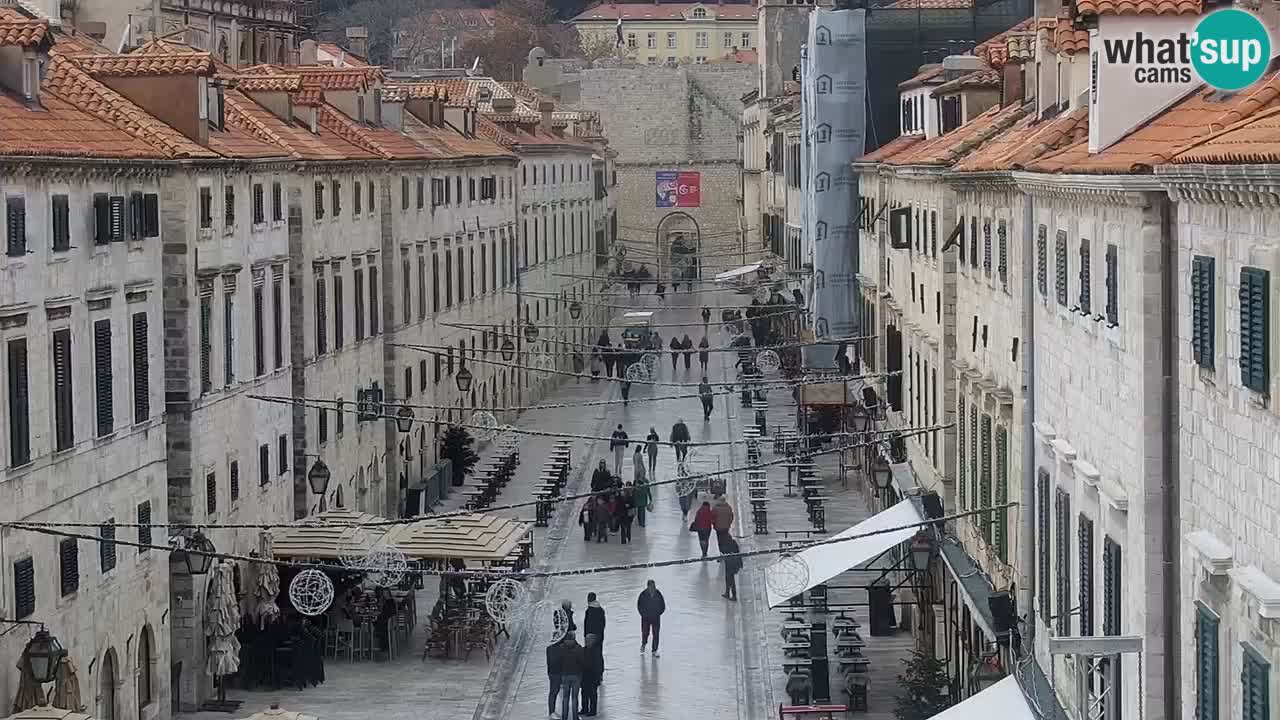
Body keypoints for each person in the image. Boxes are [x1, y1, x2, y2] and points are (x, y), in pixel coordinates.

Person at [558, 632, 585, 720]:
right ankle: (575, 717)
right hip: (576, 675)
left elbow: (559, 661)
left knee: (565, 697)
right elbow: (582, 661)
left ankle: (564, 716)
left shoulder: (561, 648)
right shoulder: (578, 648)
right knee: (574, 697)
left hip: (565, 675)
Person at [637, 579, 666, 657]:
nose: (653, 588)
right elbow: (639, 606)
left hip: (656, 618)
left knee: (656, 634)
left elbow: (663, 605)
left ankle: (654, 650)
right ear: (648, 586)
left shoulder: (658, 594)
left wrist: (658, 613)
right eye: (651, 586)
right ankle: (643, 644)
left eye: (654, 586)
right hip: (646, 618)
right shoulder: (643, 594)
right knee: (645, 633)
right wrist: (643, 614)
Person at [580, 634, 603, 717]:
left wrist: (599, 676)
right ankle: (584, 709)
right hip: (584, 675)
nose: (586, 642)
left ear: (593, 641)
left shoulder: (596, 651)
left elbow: (600, 664)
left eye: (588, 640)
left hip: (593, 676)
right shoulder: (583, 650)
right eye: (586, 640)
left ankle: (593, 710)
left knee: (592, 694)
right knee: (584, 693)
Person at [547, 635, 565, 718]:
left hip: (553, 673)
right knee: (554, 692)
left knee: (554, 692)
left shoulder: (550, 648)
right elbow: (554, 662)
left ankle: (552, 711)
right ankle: (551, 711)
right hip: (556, 673)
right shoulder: (555, 649)